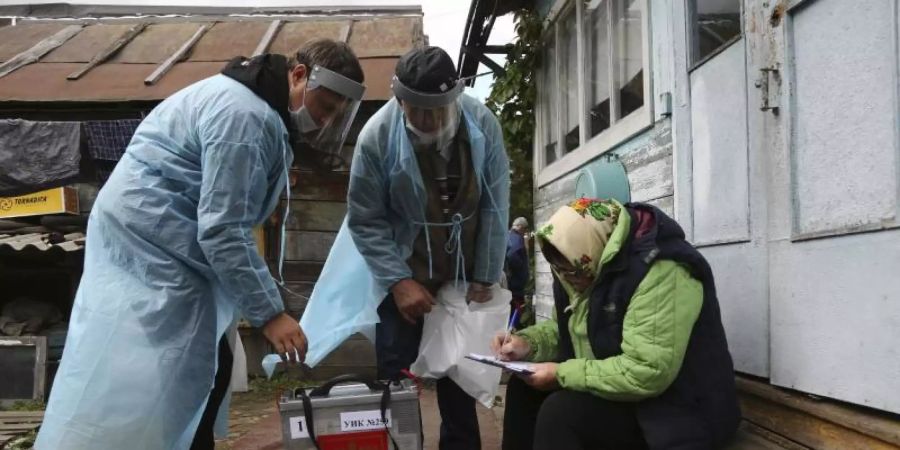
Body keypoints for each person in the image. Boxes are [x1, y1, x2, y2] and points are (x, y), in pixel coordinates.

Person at [36, 40, 365, 450]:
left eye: (336, 114)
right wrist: (271, 314)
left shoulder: (252, 106)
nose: (325, 120)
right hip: (155, 243)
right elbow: (223, 230)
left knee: (192, 369)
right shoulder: (246, 117)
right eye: (326, 106)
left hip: (162, 240)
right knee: (172, 373)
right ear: (298, 75)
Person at [347, 46, 510, 450]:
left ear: (454, 98)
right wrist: (398, 282)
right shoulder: (376, 139)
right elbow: (366, 220)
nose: (426, 120)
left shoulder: (483, 123)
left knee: (461, 373)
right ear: (399, 100)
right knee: (396, 376)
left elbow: (496, 201)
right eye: (415, 109)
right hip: (405, 267)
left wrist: (486, 273)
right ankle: (401, 444)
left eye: (436, 109)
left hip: (463, 272)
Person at [492, 198, 741, 450]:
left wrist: (560, 374)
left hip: (676, 410)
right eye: (559, 270)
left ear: (596, 251)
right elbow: (564, 329)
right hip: (624, 395)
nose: (567, 278)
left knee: (561, 413)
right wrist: (527, 344)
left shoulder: (663, 271)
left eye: (574, 272)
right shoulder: (581, 265)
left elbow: (646, 370)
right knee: (523, 391)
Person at [506, 217, 530, 313]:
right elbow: (512, 256)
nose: (525, 231)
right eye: (524, 228)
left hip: (510, 285)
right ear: (519, 227)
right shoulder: (517, 239)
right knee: (517, 311)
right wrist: (520, 269)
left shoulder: (508, 236)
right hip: (515, 286)